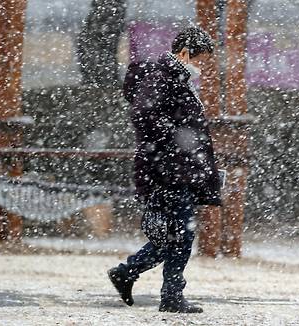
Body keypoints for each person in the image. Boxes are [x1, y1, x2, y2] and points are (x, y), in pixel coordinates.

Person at [108, 26, 221, 313]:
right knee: (179, 235)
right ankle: (167, 293)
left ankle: (129, 273)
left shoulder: (176, 79)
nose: (202, 66)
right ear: (184, 52)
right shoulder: (163, 78)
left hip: (171, 170)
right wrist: (175, 144)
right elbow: (143, 114)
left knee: (174, 234)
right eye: (201, 59)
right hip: (165, 172)